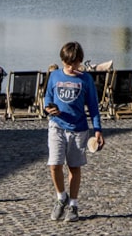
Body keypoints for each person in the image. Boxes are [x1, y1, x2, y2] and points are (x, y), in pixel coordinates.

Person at [42, 42, 104, 223]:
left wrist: (98, 130)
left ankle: (73, 205)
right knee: (54, 165)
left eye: (73, 64)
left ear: (79, 62)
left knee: (74, 167)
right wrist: (48, 108)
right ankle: (61, 197)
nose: (69, 67)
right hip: (57, 126)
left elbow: (93, 107)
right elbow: (48, 97)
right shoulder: (54, 76)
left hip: (78, 129)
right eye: (66, 63)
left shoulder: (86, 80)